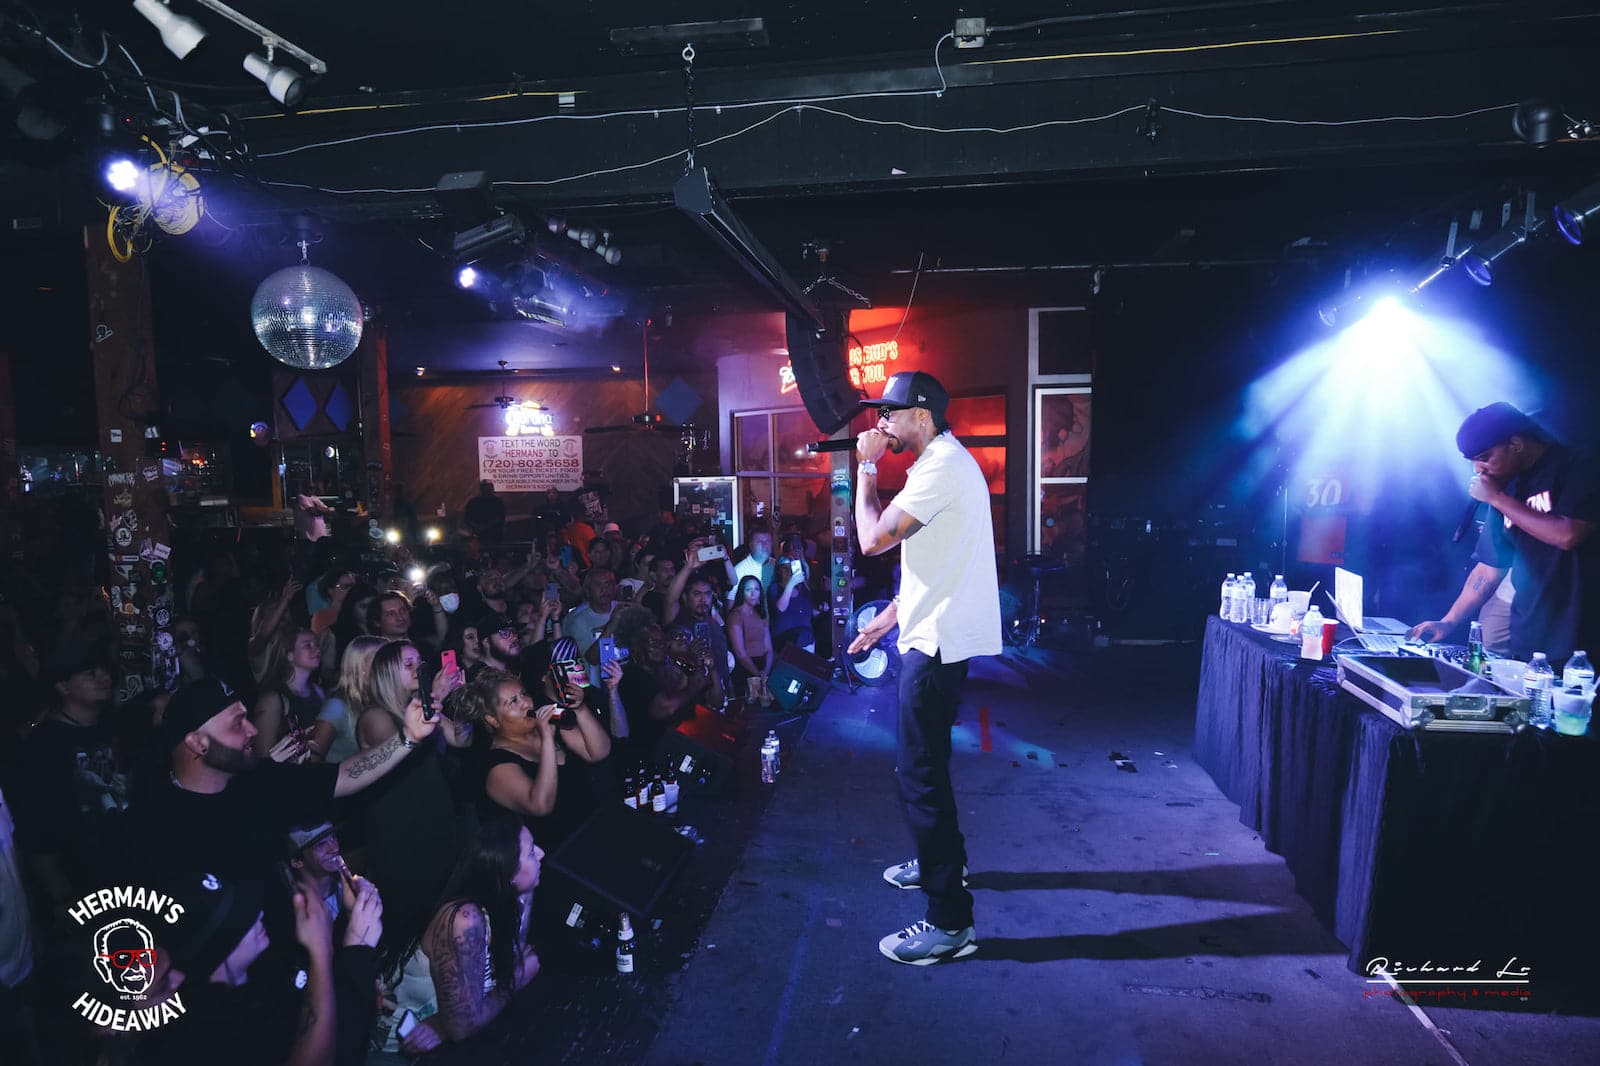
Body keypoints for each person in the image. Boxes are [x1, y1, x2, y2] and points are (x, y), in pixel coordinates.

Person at [848, 370, 1001, 965]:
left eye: (890, 413)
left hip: (935, 648)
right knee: (929, 764)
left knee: (917, 774)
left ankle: (949, 922)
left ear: (922, 414)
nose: (881, 424)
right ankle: (947, 864)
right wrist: (883, 622)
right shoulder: (941, 465)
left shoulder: (941, 467)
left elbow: (872, 541)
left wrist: (864, 469)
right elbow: (933, 571)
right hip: (931, 633)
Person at [1410, 402, 1598, 664]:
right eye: (1473, 461)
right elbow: (1489, 569)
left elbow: (1568, 535)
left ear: (1517, 444)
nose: (1478, 469)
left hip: (1584, 640)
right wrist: (1448, 622)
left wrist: (1497, 498)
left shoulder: (1577, 467)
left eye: (1485, 457)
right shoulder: (1507, 488)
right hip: (1530, 637)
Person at [387, 819, 542, 1056]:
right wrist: (517, 979)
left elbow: (512, 956)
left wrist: (526, 892)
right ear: (507, 872)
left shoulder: (502, 900)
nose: (541, 854)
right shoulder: (464, 920)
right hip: (399, 1050)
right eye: (531, 852)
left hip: (447, 1036)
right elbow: (463, 1027)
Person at [456, 668, 612, 848]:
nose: (526, 704)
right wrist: (546, 738)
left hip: (594, 829)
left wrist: (581, 709)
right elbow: (540, 805)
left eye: (524, 694)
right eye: (513, 701)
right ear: (492, 719)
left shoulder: (549, 725)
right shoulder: (496, 765)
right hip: (559, 852)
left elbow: (599, 752)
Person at [728, 575, 773, 705]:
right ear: (742, 592)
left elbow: (768, 648)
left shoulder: (761, 613)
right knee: (751, 712)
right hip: (746, 669)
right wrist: (758, 673)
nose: (753, 593)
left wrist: (766, 672)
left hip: (763, 667)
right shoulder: (735, 615)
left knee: (767, 707)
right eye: (749, 590)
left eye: (757, 589)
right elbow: (740, 652)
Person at [463, 480, 507, 550]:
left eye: (490, 489)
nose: (488, 491)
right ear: (482, 490)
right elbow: (467, 518)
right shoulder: (473, 502)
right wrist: (477, 527)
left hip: (494, 534)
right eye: (486, 489)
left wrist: (485, 527)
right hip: (477, 534)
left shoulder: (498, 502)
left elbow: (501, 518)